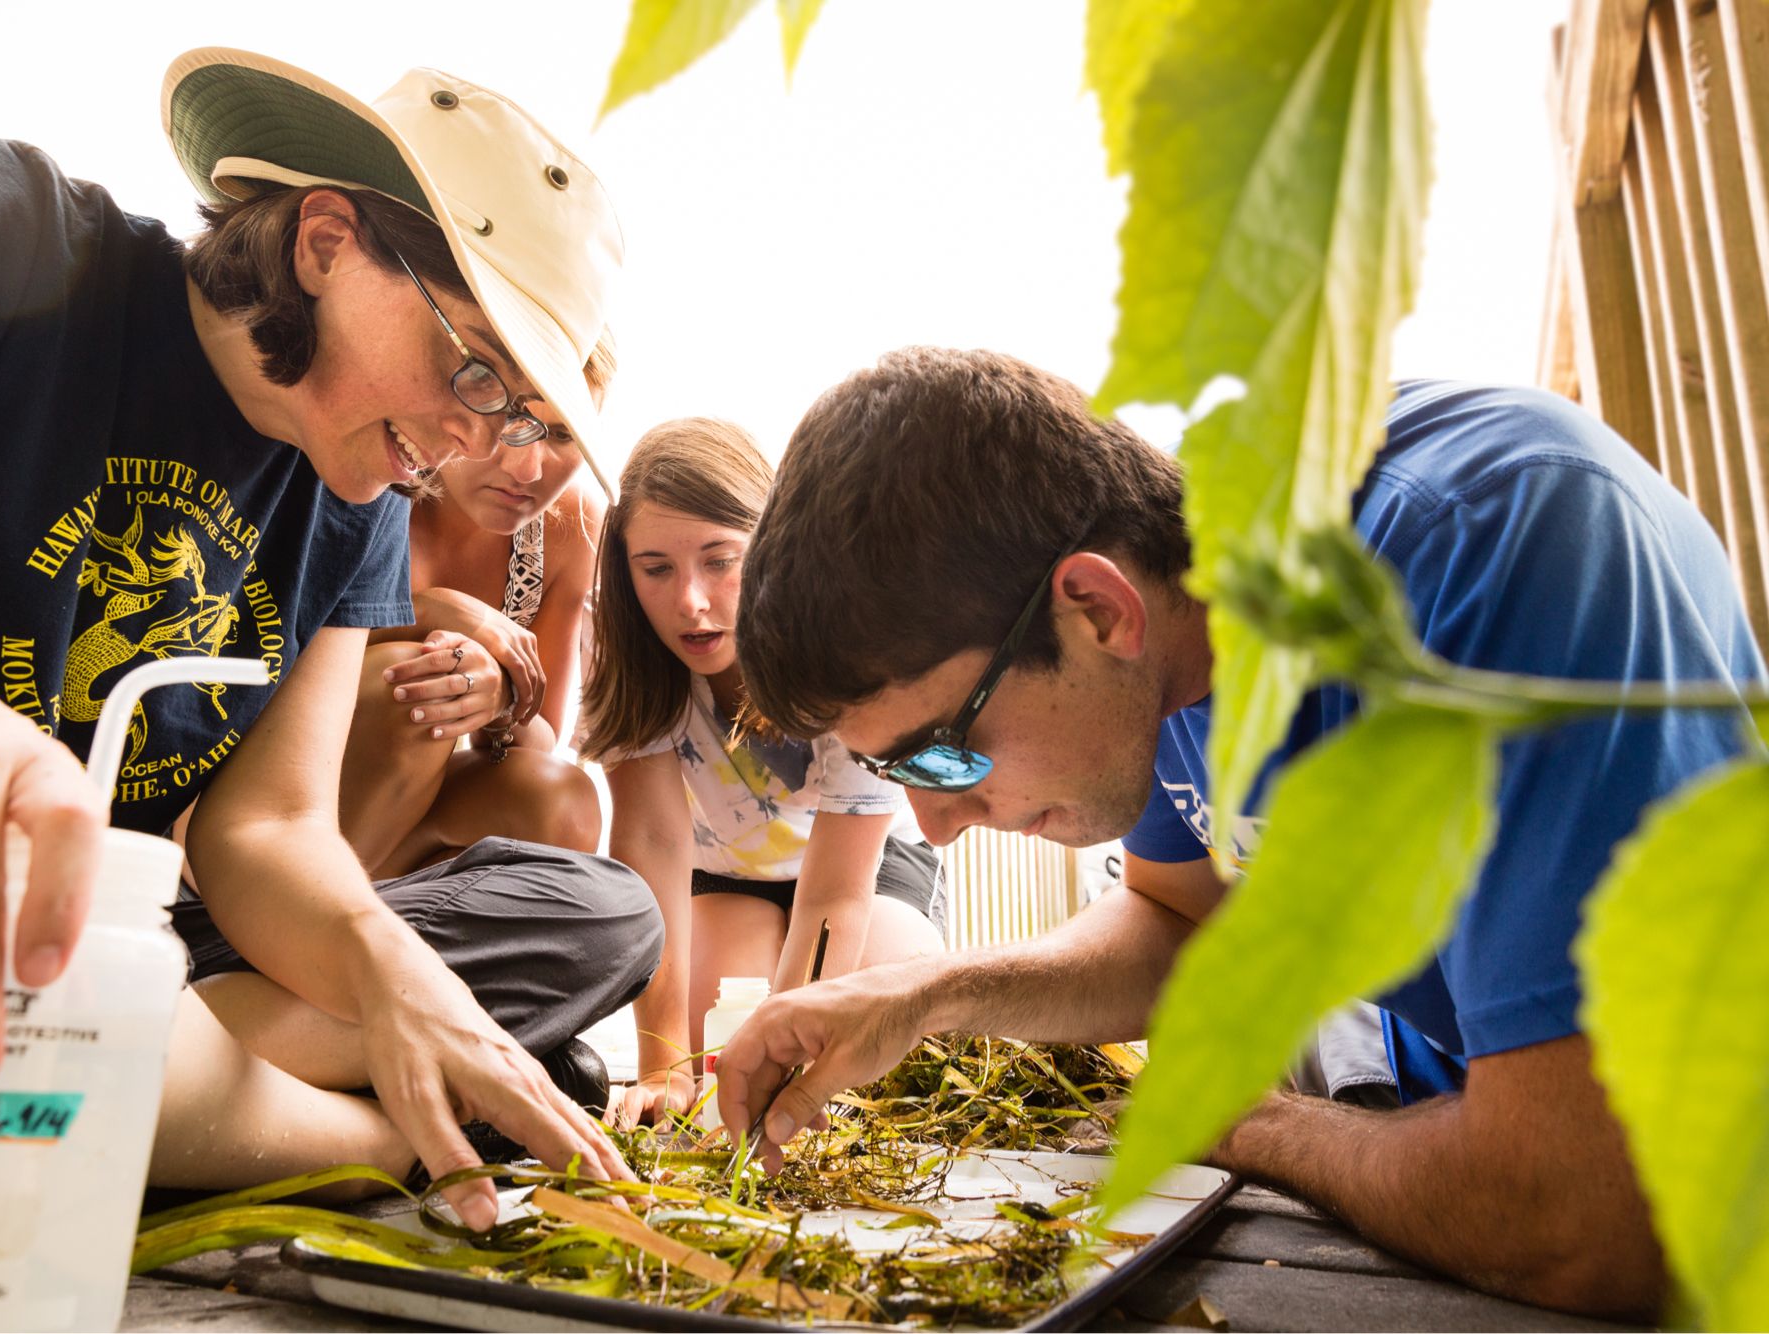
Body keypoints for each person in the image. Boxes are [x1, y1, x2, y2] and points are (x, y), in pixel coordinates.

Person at [0, 46, 658, 1268]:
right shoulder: (1, 237)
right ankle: (358, 1137)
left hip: (87, 935)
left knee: (593, 910)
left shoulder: (360, 499)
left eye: (513, 411)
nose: (472, 438)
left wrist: (394, 980)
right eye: (475, 369)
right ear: (326, 243)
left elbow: (268, 832)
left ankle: (61, 1101)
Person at [710, 348, 1766, 1320]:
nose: (933, 827)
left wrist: (1239, 1121)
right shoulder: (1169, 651)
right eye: (896, 775)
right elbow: (1179, 921)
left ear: (1095, 609)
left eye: (941, 751)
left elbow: (1585, 1220)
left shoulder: (1496, 543)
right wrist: (924, 995)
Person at [578, 418, 947, 1128]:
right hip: (725, 874)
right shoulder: (621, 644)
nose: (689, 601)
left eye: (720, 561)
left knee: (873, 1044)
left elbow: (835, 895)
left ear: (773, 546)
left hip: (865, 873)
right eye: (656, 569)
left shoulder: (846, 644)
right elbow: (653, 845)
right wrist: (663, 1068)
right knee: (722, 1044)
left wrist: (788, 1067)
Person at [336, 332, 615, 880]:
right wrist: (441, 613)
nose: (528, 469)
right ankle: (292, 911)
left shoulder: (567, 528)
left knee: (564, 804)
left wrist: (501, 698)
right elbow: (284, 644)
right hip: (280, 782)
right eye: (513, 418)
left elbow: (540, 739)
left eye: (561, 434)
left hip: (401, 820)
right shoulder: (378, 468)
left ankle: (371, 905)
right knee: (435, 669)